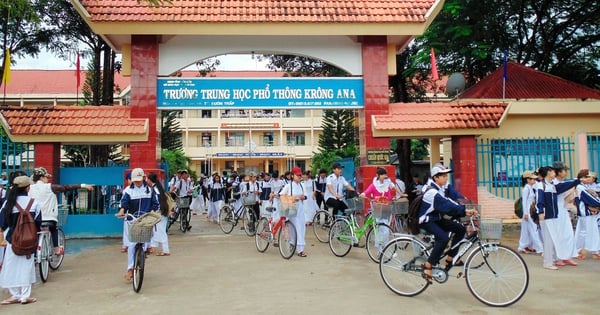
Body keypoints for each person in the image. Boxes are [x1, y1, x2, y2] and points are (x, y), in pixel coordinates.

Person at [418, 165, 478, 284]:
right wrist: (464, 211)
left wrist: (464, 207)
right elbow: (447, 205)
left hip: (436, 218)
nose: (446, 178)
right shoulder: (432, 191)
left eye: (446, 175)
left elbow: (450, 201)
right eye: (444, 176)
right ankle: (428, 265)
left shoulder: (439, 188)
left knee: (460, 229)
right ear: (436, 177)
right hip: (427, 220)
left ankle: (450, 258)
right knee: (443, 238)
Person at [28, 167, 93, 256]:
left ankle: (35, 252)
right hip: (49, 218)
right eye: (46, 177)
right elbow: (66, 187)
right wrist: (83, 185)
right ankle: (57, 249)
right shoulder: (49, 187)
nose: (47, 179)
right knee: (53, 229)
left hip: (35, 218)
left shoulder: (30, 188)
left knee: (36, 232)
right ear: (42, 177)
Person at [0, 175, 42, 305]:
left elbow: (2, 222)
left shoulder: (8, 203)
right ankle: (25, 296)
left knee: (10, 265)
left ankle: (14, 295)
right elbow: (38, 222)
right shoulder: (34, 203)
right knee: (26, 266)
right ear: (28, 188)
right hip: (29, 240)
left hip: (12, 239)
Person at [115, 168, 159, 281]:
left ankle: (145, 251)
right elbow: (124, 203)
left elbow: (155, 203)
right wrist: (122, 211)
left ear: (143, 178)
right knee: (131, 245)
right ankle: (130, 269)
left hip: (145, 219)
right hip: (133, 220)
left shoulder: (149, 190)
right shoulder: (129, 190)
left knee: (146, 239)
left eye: (139, 180)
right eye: (136, 181)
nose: (138, 183)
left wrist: (153, 211)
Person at [535, 165, 580, 270]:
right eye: (551, 171)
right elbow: (539, 200)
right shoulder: (541, 186)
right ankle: (547, 262)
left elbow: (564, 186)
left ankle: (553, 260)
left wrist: (576, 181)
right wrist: (540, 212)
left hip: (553, 215)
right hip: (546, 216)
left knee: (552, 238)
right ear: (547, 173)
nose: (553, 172)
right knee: (548, 239)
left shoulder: (552, 185)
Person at [360, 167, 397, 253]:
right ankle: (379, 250)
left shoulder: (386, 185)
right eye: (383, 174)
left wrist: (390, 199)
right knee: (379, 229)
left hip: (385, 209)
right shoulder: (374, 185)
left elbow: (389, 196)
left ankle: (384, 247)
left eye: (385, 174)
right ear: (378, 175)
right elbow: (367, 192)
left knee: (386, 229)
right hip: (377, 210)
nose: (385, 176)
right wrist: (362, 194)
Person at [551, 161, 579, 266]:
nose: (566, 172)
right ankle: (558, 257)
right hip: (556, 211)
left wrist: (572, 192)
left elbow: (566, 199)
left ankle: (567, 256)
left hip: (563, 210)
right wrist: (574, 184)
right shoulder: (554, 183)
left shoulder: (563, 183)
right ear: (558, 172)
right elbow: (559, 191)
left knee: (568, 233)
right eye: (564, 170)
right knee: (558, 234)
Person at [279, 166, 308, 257]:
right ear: (292, 176)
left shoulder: (302, 185)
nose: (299, 177)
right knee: (295, 228)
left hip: (301, 209)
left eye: (300, 175)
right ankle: (299, 249)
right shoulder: (288, 186)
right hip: (292, 208)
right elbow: (281, 195)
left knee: (302, 228)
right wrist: (293, 198)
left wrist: (303, 197)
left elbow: (306, 195)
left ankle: (295, 244)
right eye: (297, 175)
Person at [573, 170, 600, 259]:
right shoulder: (580, 187)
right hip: (586, 213)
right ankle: (590, 250)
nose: (588, 179)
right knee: (588, 232)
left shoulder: (584, 186)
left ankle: (581, 250)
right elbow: (589, 199)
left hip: (587, 213)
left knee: (584, 232)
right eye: (586, 177)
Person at [517, 170, 543, 255]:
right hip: (528, 212)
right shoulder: (526, 189)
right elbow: (524, 202)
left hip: (531, 211)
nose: (534, 180)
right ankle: (539, 249)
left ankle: (523, 246)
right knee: (533, 229)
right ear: (527, 179)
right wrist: (526, 214)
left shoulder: (531, 187)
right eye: (532, 179)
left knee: (526, 230)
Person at [147, 173, 171, 257]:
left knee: (160, 231)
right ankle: (152, 247)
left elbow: (157, 201)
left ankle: (166, 250)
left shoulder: (154, 189)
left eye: (147, 179)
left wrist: (155, 210)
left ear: (150, 180)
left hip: (159, 212)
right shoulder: (158, 188)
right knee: (156, 230)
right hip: (162, 211)